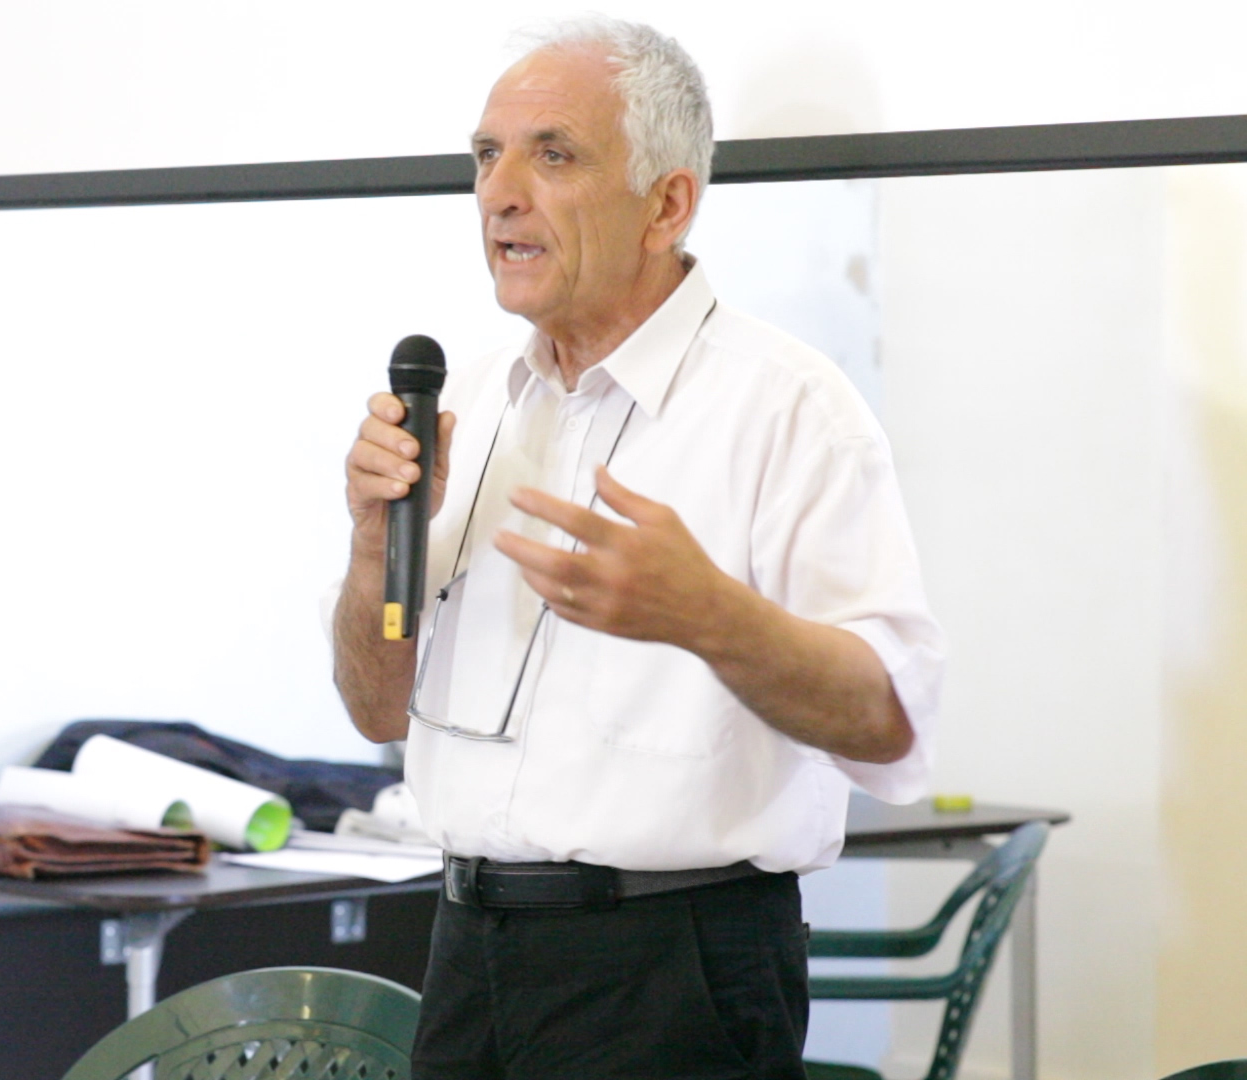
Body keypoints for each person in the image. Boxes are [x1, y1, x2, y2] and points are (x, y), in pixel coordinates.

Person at [331, 16, 944, 1080]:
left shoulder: (789, 409)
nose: (498, 193)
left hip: (675, 964)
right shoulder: (467, 399)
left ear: (667, 204)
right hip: (467, 948)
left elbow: (890, 720)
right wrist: (369, 547)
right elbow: (376, 708)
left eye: (552, 155)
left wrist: (708, 617)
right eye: (487, 154)